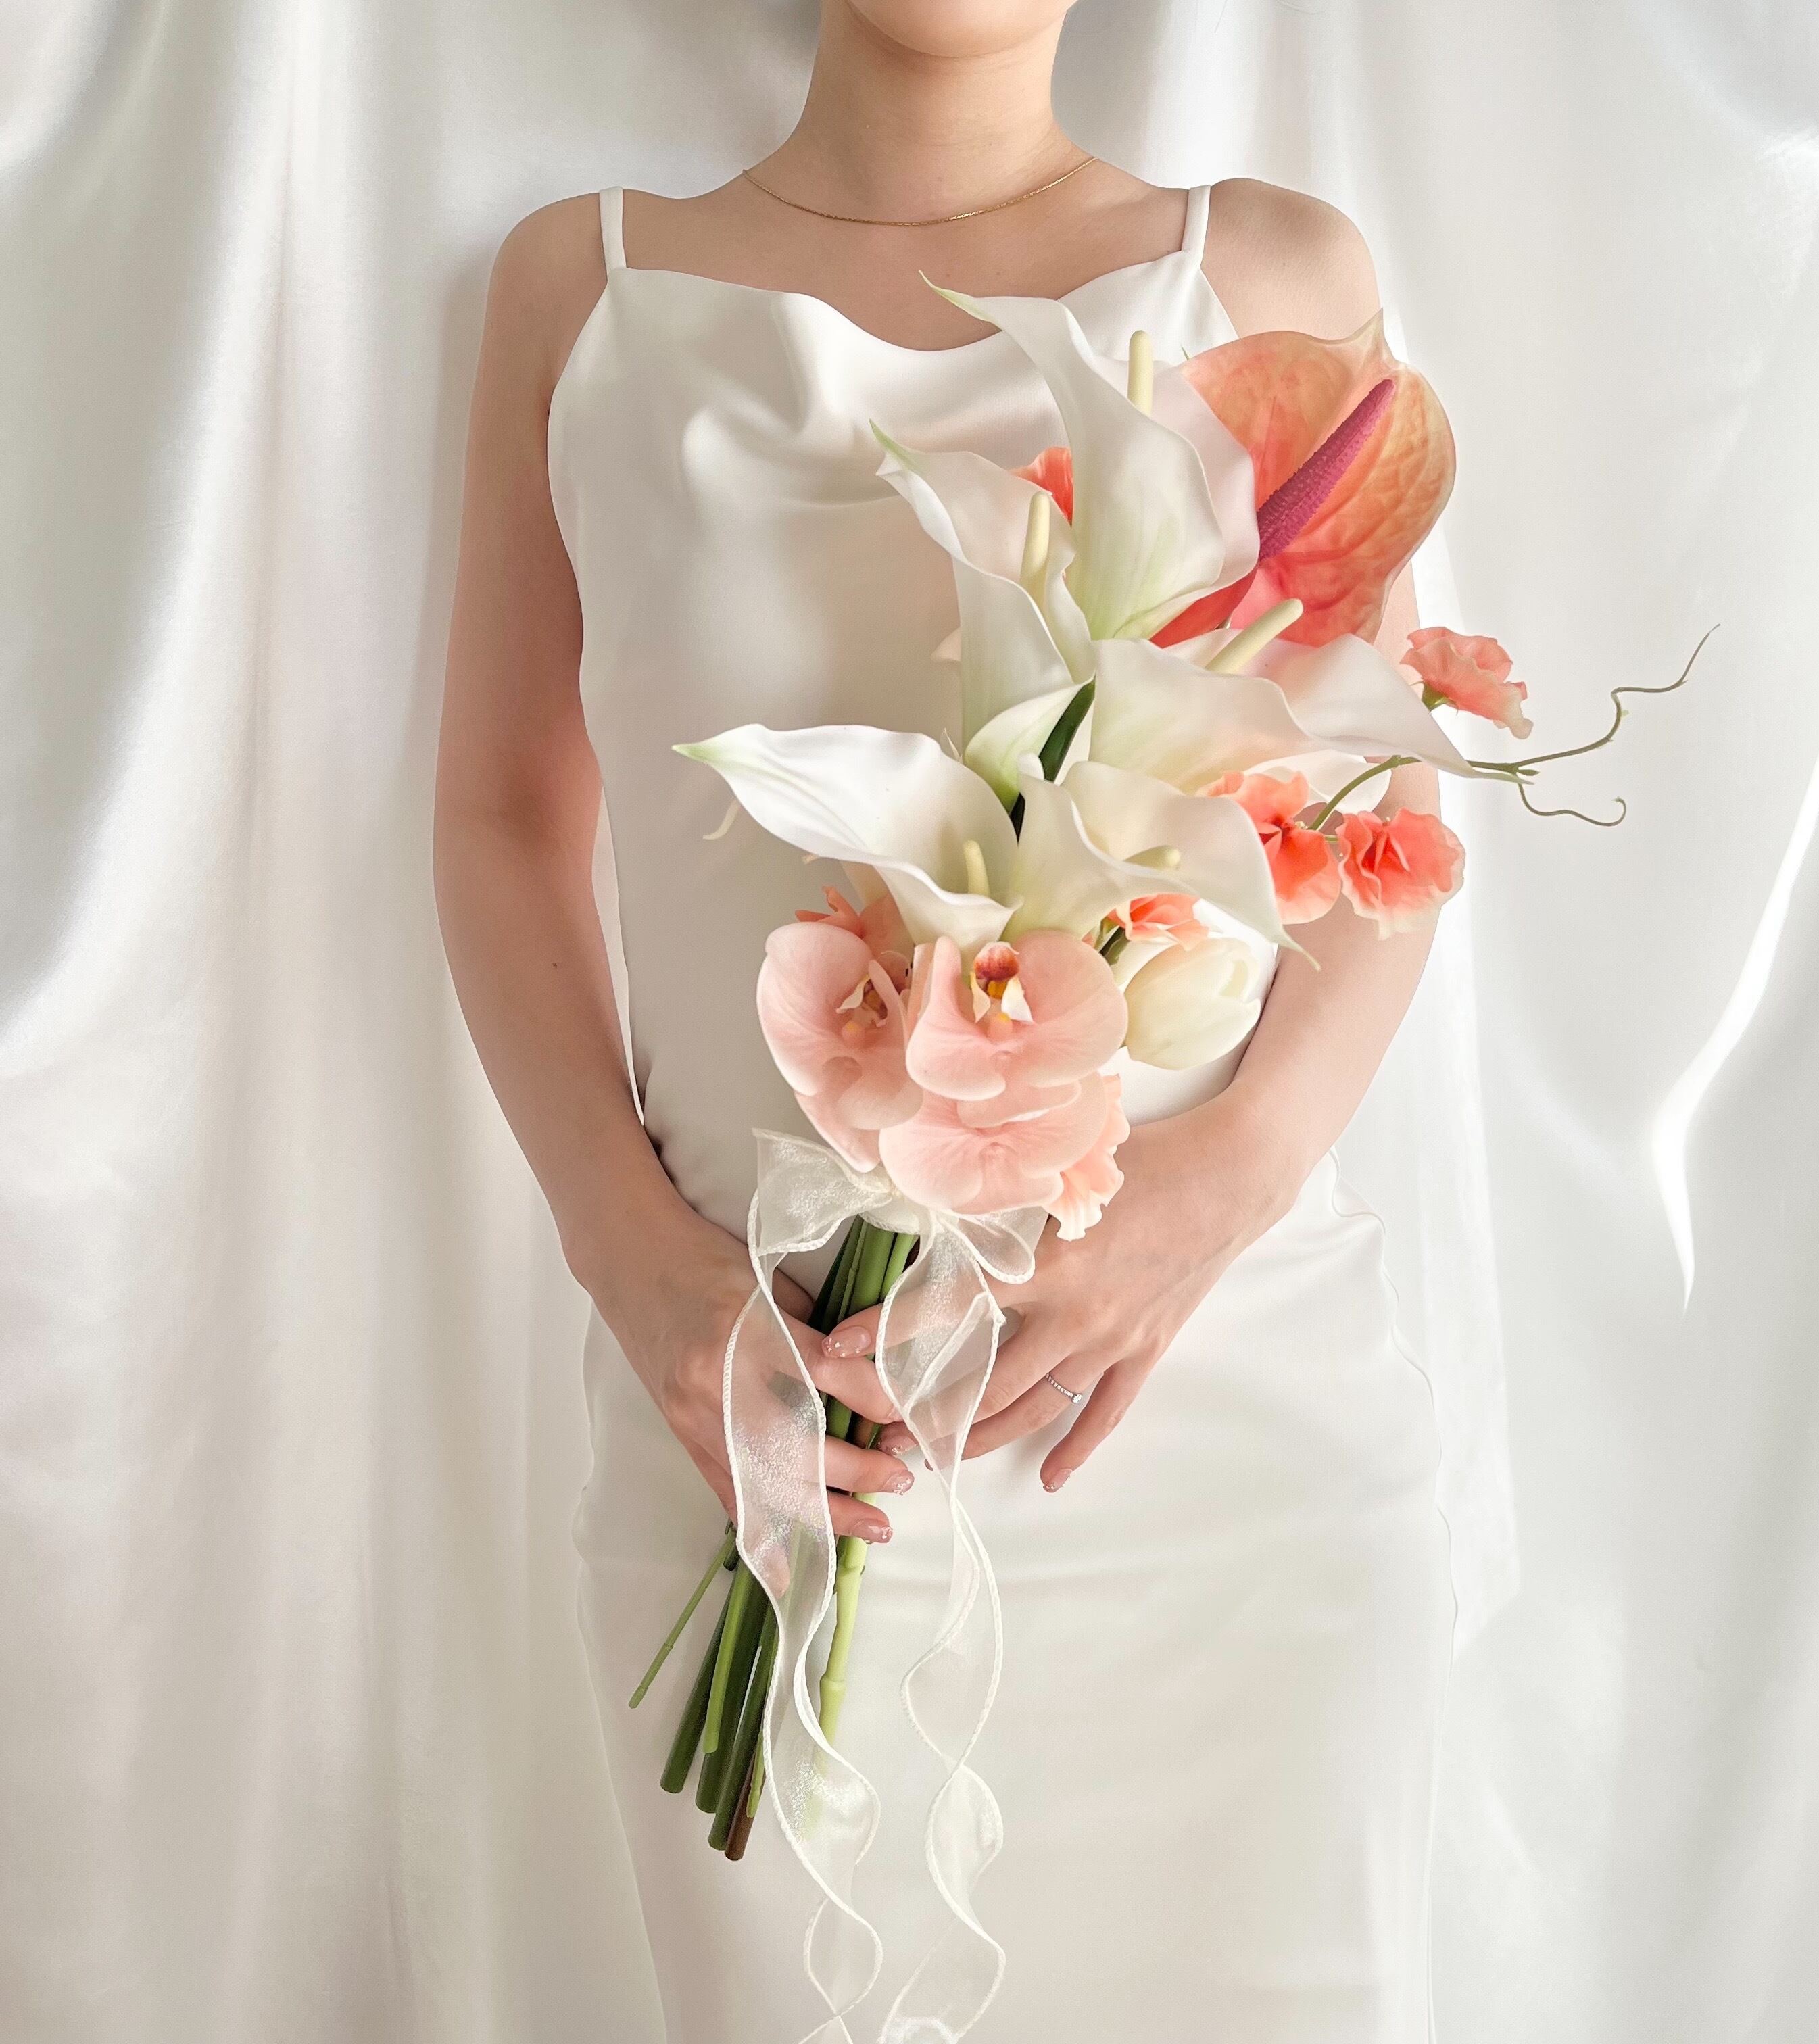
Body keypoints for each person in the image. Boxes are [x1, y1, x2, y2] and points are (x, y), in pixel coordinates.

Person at [435, 2, 1456, 2035]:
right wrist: (638, 1267)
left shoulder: (1265, 273)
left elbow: (1383, 813)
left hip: (1202, 1424)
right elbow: (502, 818)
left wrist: (1227, 1184)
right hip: (751, 1413)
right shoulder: (586, 289)